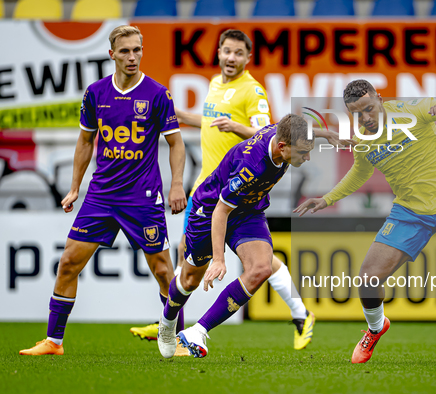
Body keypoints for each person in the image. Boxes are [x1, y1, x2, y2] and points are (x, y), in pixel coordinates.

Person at [131, 29, 348, 349]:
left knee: (260, 264)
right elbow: (224, 130)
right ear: (218, 53)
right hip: (215, 190)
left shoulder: (253, 92)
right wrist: (169, 113)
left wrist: (328, 136)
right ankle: (170, 322)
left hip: (240, 193)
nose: (231, 58)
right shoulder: (216, 87)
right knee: (190, 270)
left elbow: (271, 130)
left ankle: (191, 330)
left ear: (247, 58)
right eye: (226, 51)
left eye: (238, 53)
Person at [294, 80, 436, 364]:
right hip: (410, 212)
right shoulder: (363, 140)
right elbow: (360, 172)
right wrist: (327, 199)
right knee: (367, 279)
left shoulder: (413, 111)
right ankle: (376, 328)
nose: (365, 119)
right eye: (357, 115)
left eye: (369, 109)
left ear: (380, 99)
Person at [19, 25, 187, 356]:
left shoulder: (157, 93)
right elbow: (85, 141)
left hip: (142, 197)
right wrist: (74, 188)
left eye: (137, 50)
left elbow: (176, 142)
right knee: (68, 262)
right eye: (125, 51)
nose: (132, 57)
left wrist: (177, 183)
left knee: (163, 271)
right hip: (101, 196)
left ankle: (177, 339)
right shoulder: (95, 93)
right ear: (112, 54)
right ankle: (54, 341)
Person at [157, 114, 314, 359]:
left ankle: (198, 331)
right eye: (304, 152)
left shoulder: (280, 133)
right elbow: (221, 210)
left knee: (261, 268)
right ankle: (166, 324)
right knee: (189, 281)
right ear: (282, 147)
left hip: (248, 210)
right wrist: (219, 259)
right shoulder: (252, 167)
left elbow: (260, 131)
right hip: (210, 209)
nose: (308, 158)